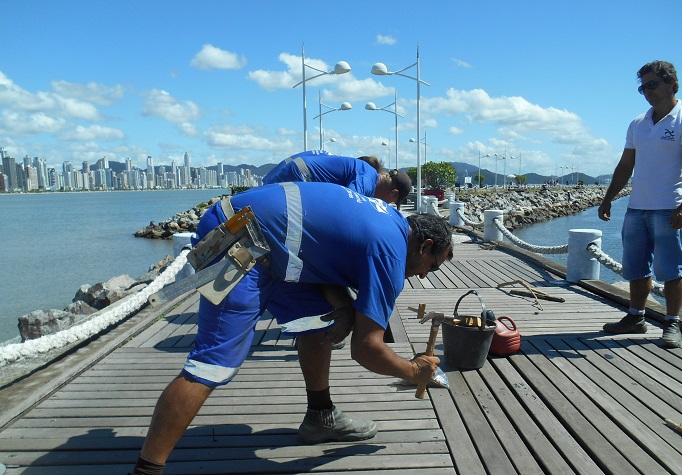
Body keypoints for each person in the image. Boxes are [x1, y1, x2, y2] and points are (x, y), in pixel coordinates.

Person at [130, 181, 453, 474]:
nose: (425, 276)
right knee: (213, 363)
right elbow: (367, 348)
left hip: (267, 245)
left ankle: (320, 416)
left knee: (317, 321)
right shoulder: (390, 253)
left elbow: (325, 253)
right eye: (431, 266)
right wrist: (414, 372)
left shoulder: (390, 223)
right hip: (241, 240)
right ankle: (146, 471)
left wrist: (343, 306)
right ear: (424, 246)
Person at [598, 60, 682, 349]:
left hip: (668, 208)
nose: (647, 91)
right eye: (643, 87)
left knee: (671, 270)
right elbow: (625, 165)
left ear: (671, 83)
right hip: (636, 208)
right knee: (635, 267)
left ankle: (672, 323)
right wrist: (608, 198)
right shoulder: (638, 123)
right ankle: (636, 316)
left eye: (652, 84)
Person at [263, 150, 411, 208]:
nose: (386, 204)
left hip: (295, 169)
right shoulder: (367, 181)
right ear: (393, 193)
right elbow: (348, 206)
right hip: (300, 177)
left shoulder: (366, 172)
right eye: (392, 202)